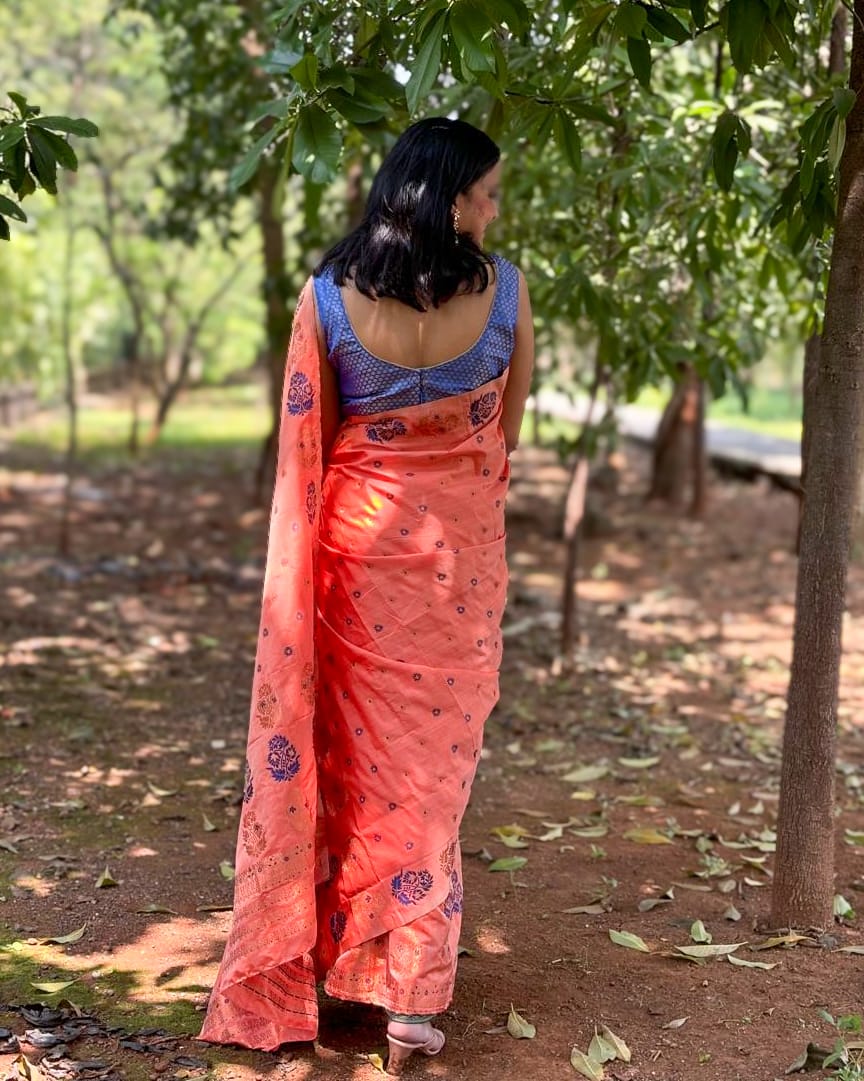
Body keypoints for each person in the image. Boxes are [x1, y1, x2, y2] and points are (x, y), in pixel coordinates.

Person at [199, 116, 534, 1075]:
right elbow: (502, 436)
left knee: (356, 760)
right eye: (490, 192)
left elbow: (317, 434)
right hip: (455, 566)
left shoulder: (326, 299)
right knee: (431, 776)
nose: (495, 209)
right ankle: (412, 998)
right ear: (452, 196)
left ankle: (354, 967)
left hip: (354, 555)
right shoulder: (507, 294)